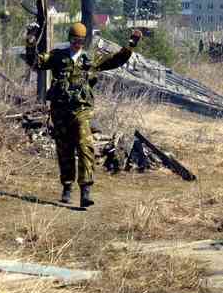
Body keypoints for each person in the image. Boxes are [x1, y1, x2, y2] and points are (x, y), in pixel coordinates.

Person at [25, 23, 142, 208]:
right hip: (60, 111)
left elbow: (116, 60)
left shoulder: (90, 59)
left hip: (81, 110)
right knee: (64, 149)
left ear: (84, 40)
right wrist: (31, 39)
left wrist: (131, 44)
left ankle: (85, 191)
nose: (77, 44)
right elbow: (35, 62)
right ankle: (67, 186)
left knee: (84, 145)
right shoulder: (57, 56)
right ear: (69, 39)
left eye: (80, 40)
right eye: (74, 40)